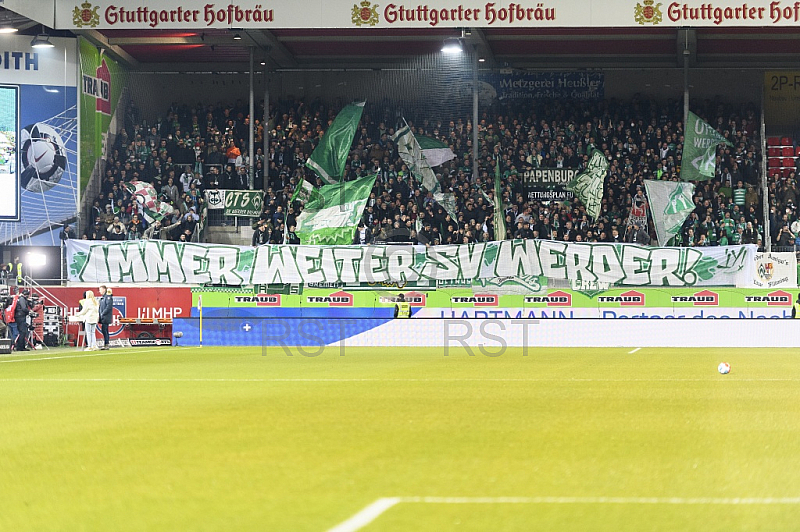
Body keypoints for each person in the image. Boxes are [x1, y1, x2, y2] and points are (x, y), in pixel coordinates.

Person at [98, 286, 113, 350]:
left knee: (105, 330)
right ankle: (106, 344)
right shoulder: (102, 298)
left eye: (100, 289)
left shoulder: (108, 297)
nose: (99, 291)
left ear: (104, 290)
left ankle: (106, 344)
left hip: (106, 317)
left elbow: (108, 307)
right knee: (104, 330)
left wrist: (103, 313)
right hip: (103, 317)